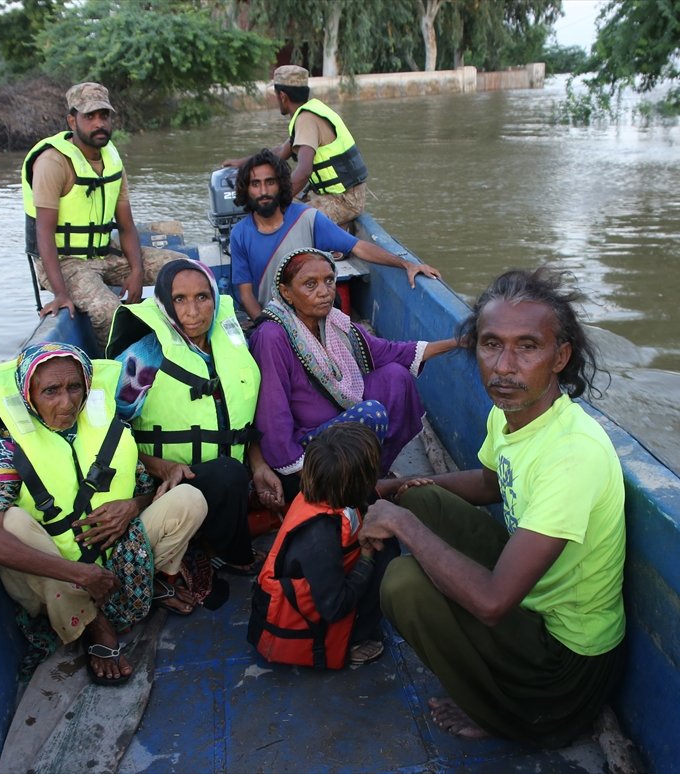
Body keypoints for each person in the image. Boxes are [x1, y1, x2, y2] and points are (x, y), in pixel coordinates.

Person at [361, 267, 626, 747]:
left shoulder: (573, 455)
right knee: (419, 495)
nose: (504, 366)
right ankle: (409, 501)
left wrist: (401, 525)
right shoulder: (510, 413)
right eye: (490, 344)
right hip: (534, 608)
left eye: (528, 347)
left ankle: (504, 714)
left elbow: (491, 602)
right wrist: (393, 489)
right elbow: (489, 482)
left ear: (560, 356)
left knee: (403, 584)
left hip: (565, 669)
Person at [0, 342, 208, 686]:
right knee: (12, 523)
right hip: (61, 577)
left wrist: (131, 508)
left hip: (121, 554)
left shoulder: (108, 427)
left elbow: (143, 489)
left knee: (189, 499)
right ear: (29, 394)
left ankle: (146, 584)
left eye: (74, 387)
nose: (66, 403)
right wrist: (79, 573)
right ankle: (95, 625)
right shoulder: (8, 448)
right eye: (50, 391)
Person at [106, 259, 284, 575]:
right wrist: (161, 466)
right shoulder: (143, 358)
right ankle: (229, 552)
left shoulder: (230, 344)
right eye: (180, 299)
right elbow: (106, 435)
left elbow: (241, 420)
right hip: (167, 482)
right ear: (163, 302)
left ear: (215, 298)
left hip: (228, 475)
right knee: (229, 473)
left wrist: (258, 465)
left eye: (202, 297)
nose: (193, 311)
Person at [249, 248, 458, 504]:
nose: (325, 291)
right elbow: (272, 414)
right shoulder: (272, 335)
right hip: (306, 450)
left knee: (396, 376)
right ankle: (346, 485)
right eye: (310, 284)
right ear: (286, 292)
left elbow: (389, 352)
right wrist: (298, 473)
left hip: (339, 425)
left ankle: (370, 475)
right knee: (370, 413)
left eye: (329, 280)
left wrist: (456, 342)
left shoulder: (334, 322)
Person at [22, 82, 187, 348]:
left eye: (104, 116)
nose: (99, 123)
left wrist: (136, 270)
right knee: (108, 311)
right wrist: (61, 293)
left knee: (182, 269)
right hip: (65, 261)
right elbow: (44, 233)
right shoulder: (53, 162)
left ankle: (183, 342)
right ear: (72, 120)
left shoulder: (112, 160)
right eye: (89, 117)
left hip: (104, 251)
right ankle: (115, 363)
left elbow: (125, 225)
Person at [248, 422, 400, 669]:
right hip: (319, 613)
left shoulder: (326, 490)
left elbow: (365, 499)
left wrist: (399, 487)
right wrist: (367, 556)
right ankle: (354, 641)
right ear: (357, 482)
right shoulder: (319, 536)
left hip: (324, 583)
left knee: (387, 540)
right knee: (388, 555)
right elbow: (334, 607)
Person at [228, 149, 441, 320]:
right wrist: (263, 322)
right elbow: (245, 292)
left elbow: (358, 247)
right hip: (274, 318)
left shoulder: (307, 218)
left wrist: (406, 265)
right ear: (246, 190)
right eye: (256, 184)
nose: (263, 190)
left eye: (270, 182)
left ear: (280, 185)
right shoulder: (240, 234)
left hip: (312, 315)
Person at [222, 65, 368, 226]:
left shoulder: (306, 119)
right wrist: (243, 163)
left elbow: (304, 171)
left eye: (276, 95)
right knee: (267, 203)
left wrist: (277, 203)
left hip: (343, 200)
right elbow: (279, 152)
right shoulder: (310, 112)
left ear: (283, 96)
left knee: (278, 220)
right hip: (338, 194)